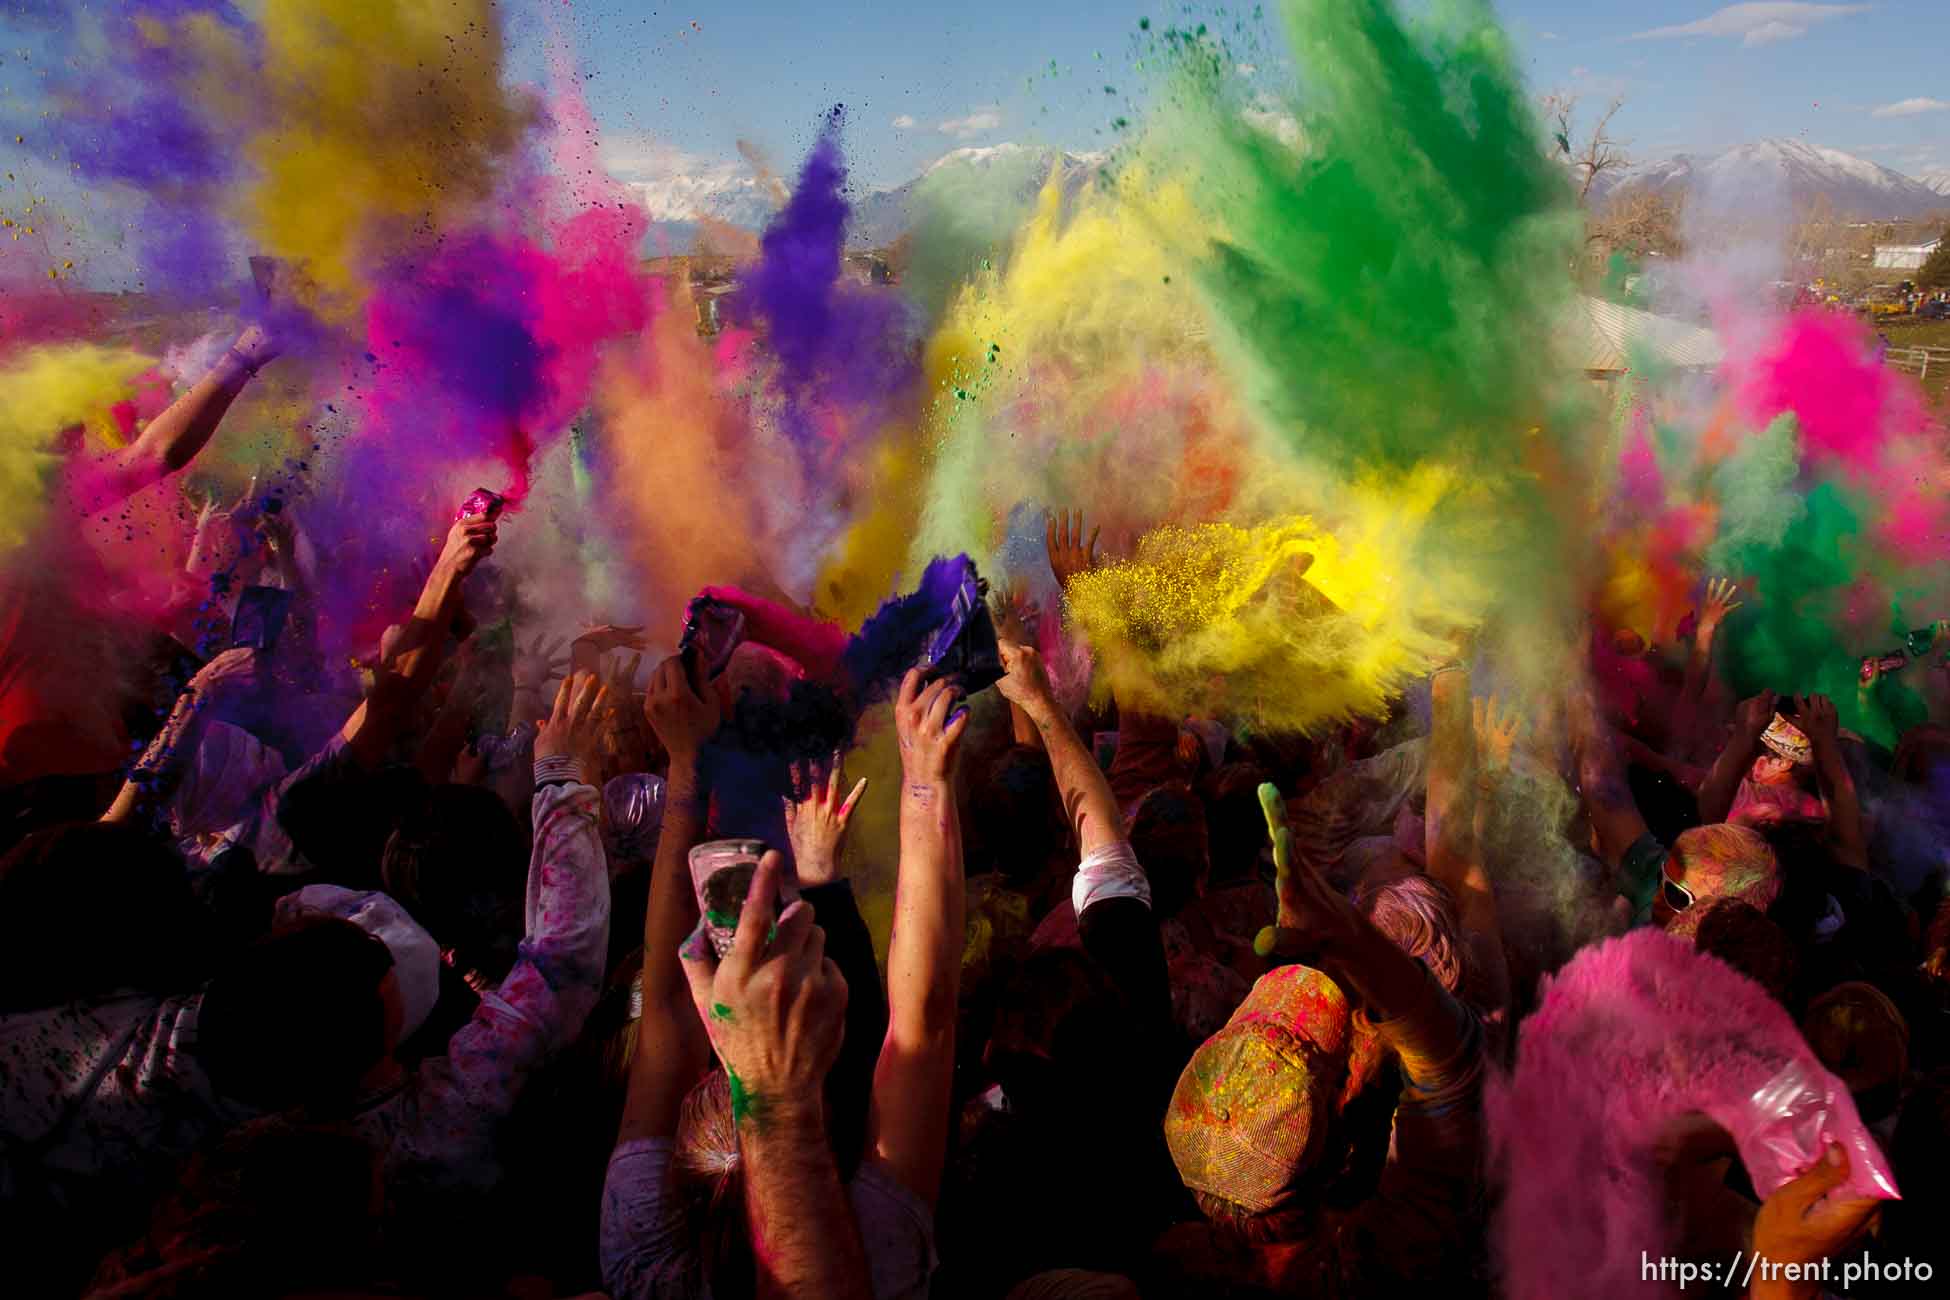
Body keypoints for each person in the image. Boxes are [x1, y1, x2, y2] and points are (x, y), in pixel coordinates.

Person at [601, 659, 966, 1298]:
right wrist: (924, 784)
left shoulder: (645, 1257)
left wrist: (923, 786)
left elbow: (657, 1011)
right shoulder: (872, 1257)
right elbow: (924, 1022)